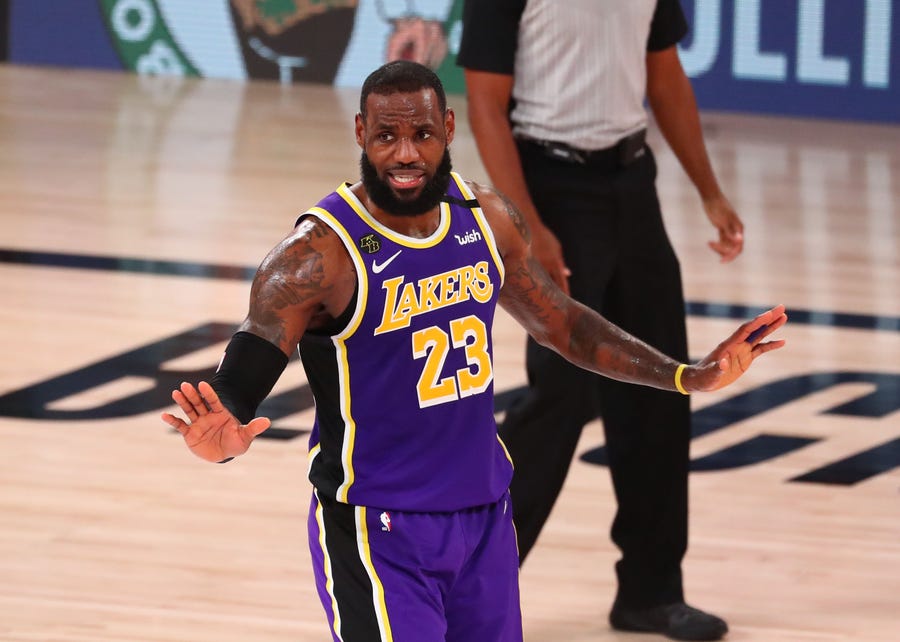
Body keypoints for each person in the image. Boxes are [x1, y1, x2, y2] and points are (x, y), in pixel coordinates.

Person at [161, 61, 784, 642]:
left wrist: (687, 376)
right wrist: (227, 421)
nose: (405, 154)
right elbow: (253, 357)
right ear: (359, 132)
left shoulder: (484, 217)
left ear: (448, 129)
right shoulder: (318, 255)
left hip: (484, 517)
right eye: (385, 136)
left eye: (422, 134)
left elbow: (561, 324)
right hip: (379, 528)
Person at [457, 2, 745, 640]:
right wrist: (525, 225)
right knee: (560, 397)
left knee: (666, 386)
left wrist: (709, 189)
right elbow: (484, 104)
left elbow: (664, 76)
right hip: (549, 182)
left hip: (631, 184)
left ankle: (650, 592)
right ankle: (472, 590)